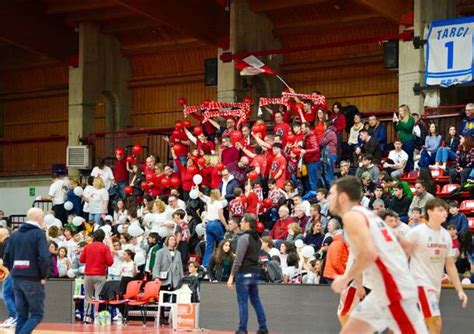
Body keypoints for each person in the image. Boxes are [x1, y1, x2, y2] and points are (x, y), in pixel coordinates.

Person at [329, 176, 427, 334]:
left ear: (342, 197)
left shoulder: (352, 217)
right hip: (382, 291)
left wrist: (346, 278)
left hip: (393, 290)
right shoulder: (371, 215)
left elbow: (369, 253)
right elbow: (406, 245)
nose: (328, 198)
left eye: (331, 194)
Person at [406, 198, 468, 333]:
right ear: (429, 212)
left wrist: (460, 290)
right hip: (419, 282)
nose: (445, 213)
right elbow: (402, 257)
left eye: (445, 210)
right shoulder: (416, 232)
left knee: (423, 323)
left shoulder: (445, 235)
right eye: (440, 210)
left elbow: (450, 265)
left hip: (435, 285)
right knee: (435, 322)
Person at [3, 208, 50, 334]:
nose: (44, 220)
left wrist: (14, 271)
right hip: (32, 279)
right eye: (43, 217)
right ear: (38, 218)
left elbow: (6, 257)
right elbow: (44, 257)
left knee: (22, 315)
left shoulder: (14, 234)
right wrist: (43, 275)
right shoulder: (38, 234)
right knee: (37, 314)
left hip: (16, 279)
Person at [227, 214, 269, 334]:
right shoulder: (258, 239)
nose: (240, 223)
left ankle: (242, 329)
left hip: (244, 273)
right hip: (255, 273)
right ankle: (263, 327)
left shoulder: (244, 238)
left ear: (247, 223)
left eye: (242, 221)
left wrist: (231, 276)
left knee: (242, 302)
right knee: (256, 300)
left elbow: (238, 259)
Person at [79, 229, 114, 322]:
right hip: (100, 274)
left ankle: (87, 316)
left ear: (94, 237)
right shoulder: (105, 247)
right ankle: (96, 316)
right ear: (103, 238)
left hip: (88, 274)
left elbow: (81, 260)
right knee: (98, 296)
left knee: (88, 296)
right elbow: (110, 262)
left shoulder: (87, 247)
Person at [0, 228, 16, 328]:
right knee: (12, 294)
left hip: (12, 271)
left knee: (5, 294)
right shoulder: (12, 242)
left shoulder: (6, 244)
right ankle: (14, 317)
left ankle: (14, 317)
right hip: (18, 271)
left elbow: (6, 259)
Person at [393, 104, 416, 171]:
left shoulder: (411, 119)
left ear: (405, 111)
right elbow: (397, 129)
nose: (399, 112)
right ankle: (403, 171)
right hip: (401, 141)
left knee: (408, 157)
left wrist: (399, 121)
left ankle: (410, 171)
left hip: (408, 141)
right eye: (399, 111)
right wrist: (394, 123)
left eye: (401, 111)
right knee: (401, 158)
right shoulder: (400, 120)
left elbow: (407, 127)